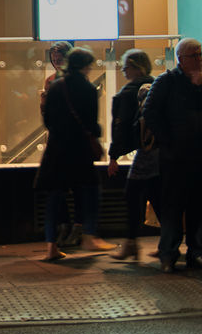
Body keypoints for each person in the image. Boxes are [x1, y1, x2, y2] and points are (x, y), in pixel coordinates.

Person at [36, 47, 114, 260]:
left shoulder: (55, 86)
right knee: (91, 190)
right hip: (78, 150)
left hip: (56, 149)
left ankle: (51, 247)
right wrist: (94, 135)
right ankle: (89, 235)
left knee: (54, 197)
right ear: (85, 66)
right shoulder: (88, 88)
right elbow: (91, 123)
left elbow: (48, 121)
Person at [141, 38, 202, 273]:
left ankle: (196, 252)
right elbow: (150, 112)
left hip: (197, 156)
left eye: (200, 55)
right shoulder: (166, 81)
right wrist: (167, 141)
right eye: (194, 56)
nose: (199, 60)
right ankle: (169, 254)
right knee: (173, 209)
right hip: (175, 158)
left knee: (197, 207)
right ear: (181, 59)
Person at [106, 49, 160, 261]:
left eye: (126, 67)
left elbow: (121, 125)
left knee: (132, 195)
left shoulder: (130, 92)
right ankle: (167, 242)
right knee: (155, 195)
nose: (124, 71)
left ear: (137, 67)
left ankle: (132, 244)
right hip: (158, 150)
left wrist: (113, 155)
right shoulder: (157, 85)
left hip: (146, 152)